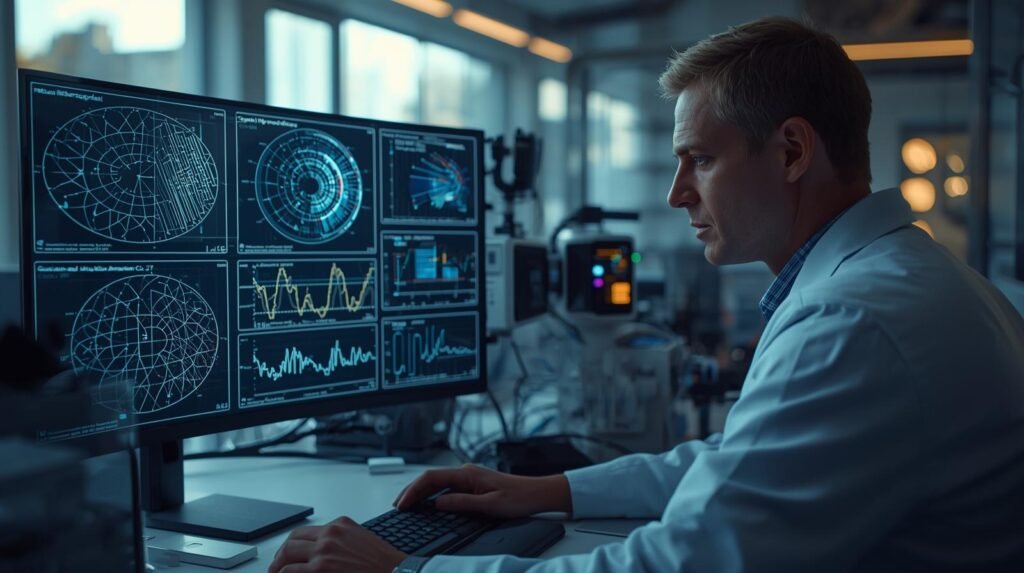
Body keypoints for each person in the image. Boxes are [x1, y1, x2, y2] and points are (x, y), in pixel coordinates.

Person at [269, 16, 1024, 573]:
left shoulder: (852, 319)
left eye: (699, 158)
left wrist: (405, 568)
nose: (674, 193)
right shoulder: (904, 281)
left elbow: (678, 565)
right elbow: (739, 458)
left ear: (792, 151)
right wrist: (546, 490)